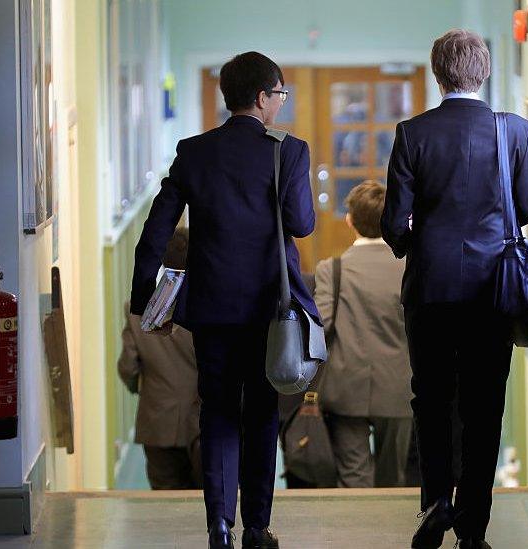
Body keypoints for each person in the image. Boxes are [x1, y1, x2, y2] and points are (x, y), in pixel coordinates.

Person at [130, 51, 317, 549]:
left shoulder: (194, 151)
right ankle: (256, 526)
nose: (280, 103)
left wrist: (143, 298)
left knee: (215, 411)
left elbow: (157, 227)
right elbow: (302, 224)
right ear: (262, 98)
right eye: (279, 94)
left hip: (210, 309)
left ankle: (218, 526)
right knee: (260, 412)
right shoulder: (289, 151)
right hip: (267, 309)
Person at [381, 29, 528, 549]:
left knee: (430, 397)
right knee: (483, 403)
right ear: (485, 71)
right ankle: (473, 529)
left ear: (437, 73)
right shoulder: (513, 131)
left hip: (430, 288)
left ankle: (435, 502)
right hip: (493, 290)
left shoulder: (413, 133)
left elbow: (392, 223)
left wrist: (416, 244)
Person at [314, 180, 413, 489]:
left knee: (353, 478)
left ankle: (356, 535)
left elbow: (322, 325)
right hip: (399, 386)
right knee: (392, 479)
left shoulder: (332, 269)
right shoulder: (410, 268)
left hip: (346, 387)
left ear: (349, 220)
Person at [118, 227, 201, 490]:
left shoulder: (138, 310)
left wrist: (138, 386)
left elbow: (128, 366)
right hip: (203, 423)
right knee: (208, 502)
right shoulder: (210, 309)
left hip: (157, 421)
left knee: (165, 503)